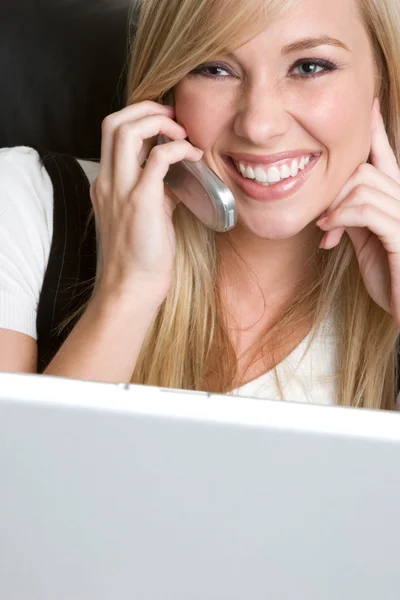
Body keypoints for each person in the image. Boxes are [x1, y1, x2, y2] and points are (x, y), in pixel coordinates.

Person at [1, 0, 400, 410]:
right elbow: (21, 473)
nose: (259, 126)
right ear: (166, 92)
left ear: (382, 83)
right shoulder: (24, 205)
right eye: (214, 69)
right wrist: (127, 292)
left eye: (310, 67)